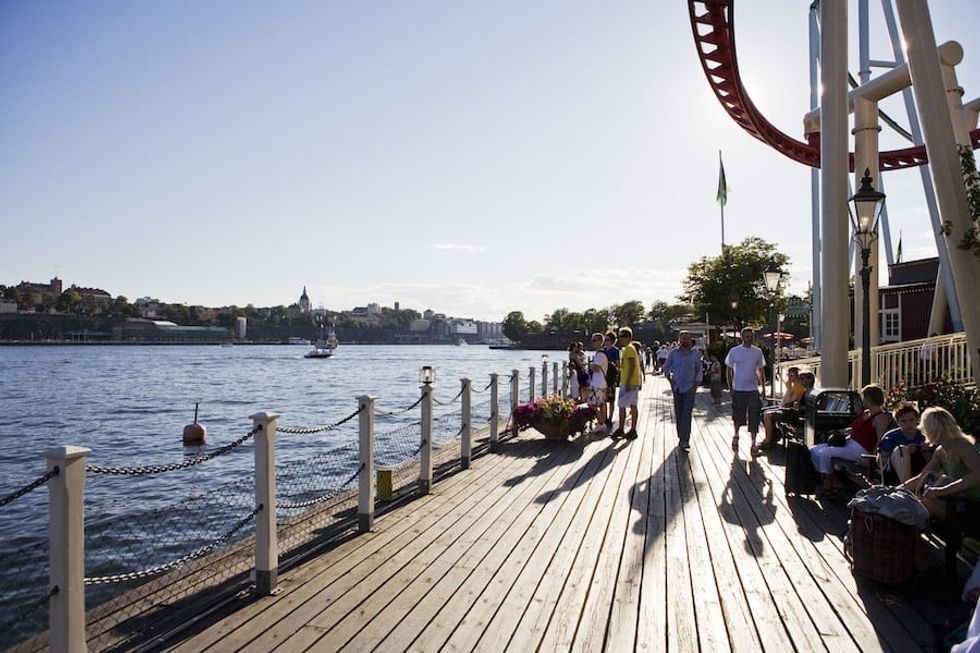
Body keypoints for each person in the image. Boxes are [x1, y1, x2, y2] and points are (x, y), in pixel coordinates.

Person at [810, 384, 895, 496]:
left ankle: (828, 483)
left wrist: (873, 458)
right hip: (850, 443)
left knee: (826, 453)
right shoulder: (866, 413)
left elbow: (881, 439)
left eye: (864, 397)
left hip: (861, 449)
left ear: (869, 398)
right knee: (814, 450)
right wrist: (842, 431)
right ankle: (835, 481)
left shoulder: (880, 418)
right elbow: (856, 429)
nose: (863, 400)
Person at [903, 406, 980, 520]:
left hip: (971, 503)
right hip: (952, 500)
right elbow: (922, 477)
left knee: (916, 507)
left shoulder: (962, 446)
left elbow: (978, 475)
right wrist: (896, 489)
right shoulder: (941, 450)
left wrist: (941, 491)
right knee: (911, 503)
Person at [725, 327, 767, 456]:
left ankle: (753, 443)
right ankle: (736, 434)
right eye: (747, 336)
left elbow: (760, 370)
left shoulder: (758, 352)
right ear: (742, 338)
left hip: (752, 389)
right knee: (738, 415)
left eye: (751, 336)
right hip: (738, 388)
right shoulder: (734, 351)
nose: (749, 339)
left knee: (754, 415)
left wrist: (763, 388)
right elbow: (729, 369)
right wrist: (730, 386)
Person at [663, 330, 703, 452]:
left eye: (687, 338)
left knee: (687, 413)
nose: (685, 341)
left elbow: (699, 370)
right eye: (683, 338)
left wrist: (696, 385)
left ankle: (685, 440)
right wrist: (671, 381)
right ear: (679, 340)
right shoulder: (674, 353)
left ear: (690, 340)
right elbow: (666, 368)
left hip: (690, 388)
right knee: (679, 413)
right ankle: (681, 436)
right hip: (677, 388)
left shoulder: (695, 354)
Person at [877, 403, 927, 484]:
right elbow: (880, 461)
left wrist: (922, 449)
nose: (908, 424)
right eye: (903, 421)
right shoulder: (891, 437)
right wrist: (905, 452)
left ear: (917, 420)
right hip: (894, 471)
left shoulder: (923, 435)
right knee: (902, 450)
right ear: (898, 422)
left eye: (911, 420)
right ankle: (907, 486)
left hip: (919, 467)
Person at [759, 367, 804, 449]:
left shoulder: (799, 387)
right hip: (785, 408)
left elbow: (789, 402)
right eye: (788, 375)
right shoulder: (794, 385)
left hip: (791, 412)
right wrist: (789, 388)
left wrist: (789, 388)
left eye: (792, 375)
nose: (789, 378)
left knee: (767, 415)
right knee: (762, 411)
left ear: (798, 376)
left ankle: (768, 441)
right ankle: (774, 435)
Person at [613, 327, 641, 440]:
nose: (621, 339)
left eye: (623, 336)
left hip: (628, 381)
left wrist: (628, 381)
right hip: (631, 380)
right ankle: (632, 429)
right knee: (632, 405)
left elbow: (632, 365)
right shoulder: (628, 349)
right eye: (620, 336)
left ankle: (622, 428)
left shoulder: (629, 349)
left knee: (622, 405)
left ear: (629, 337)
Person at [588, 333, 609, 435]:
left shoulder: (600, 354)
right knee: (601, 404)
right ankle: (602, 422)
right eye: (592, 340)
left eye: (595, 340)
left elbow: (595, 368)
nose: (593, 343)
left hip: (598, 383)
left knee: (591, 403)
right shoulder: (601, 353)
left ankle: (601, 423)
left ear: (601, 342)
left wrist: (590, 365)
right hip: (601, 383)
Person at [602, 331, 620, 431]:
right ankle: (604, 417)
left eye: (608, 340)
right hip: (603, 377)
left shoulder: (615, 350)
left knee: (611, 399)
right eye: (605, 340)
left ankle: (610, 417)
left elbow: (618, 364)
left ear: (613, 341)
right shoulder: (602, 350)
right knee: (603, 399)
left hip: (611, 377)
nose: (606, 342)